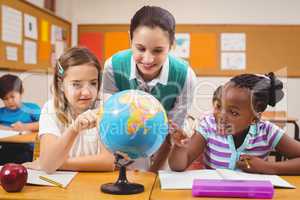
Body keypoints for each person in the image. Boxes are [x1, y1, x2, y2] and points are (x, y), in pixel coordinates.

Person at [101, 6, 197, 172]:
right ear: (130, 39)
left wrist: (153, 173)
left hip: (161, 154)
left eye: (158, 50)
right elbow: (110, 122)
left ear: (172, 45)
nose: (148, 59)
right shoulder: (113, 66)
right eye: (140, 48)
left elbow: (171, 133)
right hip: (120, 150)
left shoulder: (185, 76)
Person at [169, 73, 300, 175]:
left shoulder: (267, 132)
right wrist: (180, 147)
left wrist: (267, 167)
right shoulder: (208, 126)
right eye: (220, 107)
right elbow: (178, 166)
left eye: (234, 113)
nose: (221, 116)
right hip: (212, 195)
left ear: (254, 118)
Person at [23, 47, 114, 173]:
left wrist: (56, 163)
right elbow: (48, 165)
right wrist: (74, 129)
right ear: (61, 84)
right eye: (76, 84)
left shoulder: (105, 108)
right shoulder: (51, 109)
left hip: (95, 186)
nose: (87, 92)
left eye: (93, 83)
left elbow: (108, 162)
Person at [0, 74, 40, 164]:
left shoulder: (32, 108)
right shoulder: (1, 112)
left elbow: (44, 124)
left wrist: (24, 126)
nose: (10, 101)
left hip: (26, 150)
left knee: (20, 156)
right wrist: (8, 129)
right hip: (5, 149)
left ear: (21, 92)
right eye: (5, 99)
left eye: (12, 97)